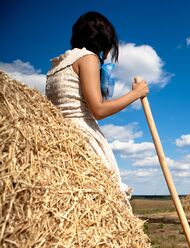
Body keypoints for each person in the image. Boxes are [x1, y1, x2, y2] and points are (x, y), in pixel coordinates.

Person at [45, 11, 149, 208]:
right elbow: (98, 110)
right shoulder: (88, 58)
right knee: (105, 203)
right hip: (82, 137)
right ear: (103, 38)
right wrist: (136, 94)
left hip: (58, 138)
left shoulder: (56, 67)